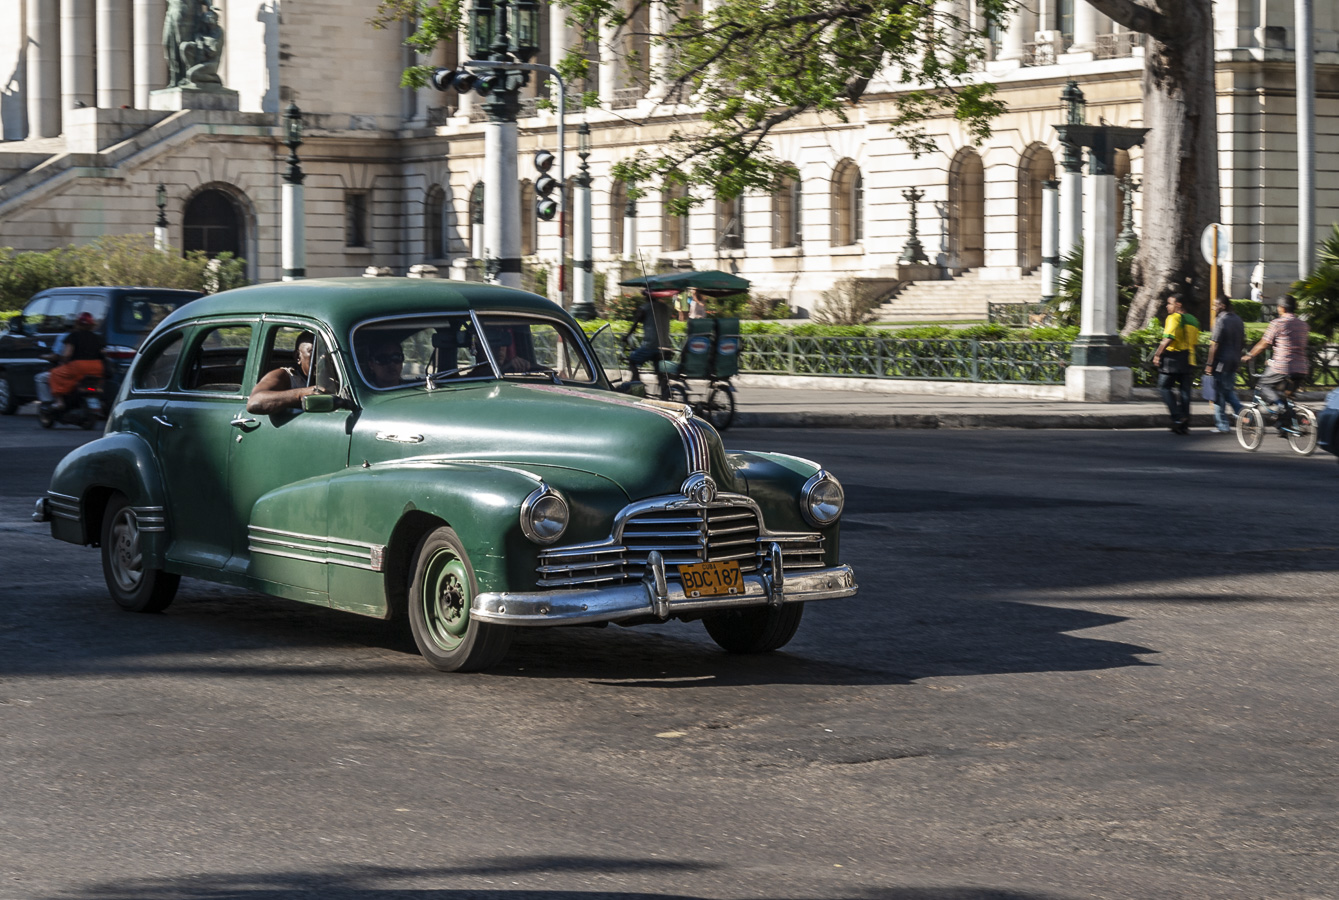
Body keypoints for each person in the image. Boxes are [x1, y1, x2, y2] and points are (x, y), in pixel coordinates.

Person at [1243, 294, 1310, 429]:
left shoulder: (1278, 323)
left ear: (1282, 308)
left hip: (1282, 367)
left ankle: (1278, 405)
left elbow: (1264, 343)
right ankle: (1284, 426)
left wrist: (1249, 355)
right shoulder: (1304, 325)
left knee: (1263, 385)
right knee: (1287, 397)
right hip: (1301, 368)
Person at [1150, 294, 1200, 434]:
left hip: (1173, 359)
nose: (1167, 306)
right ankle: (1184, 424)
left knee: (1164, 387)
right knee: (1185, 393)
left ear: (1178, 305)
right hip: (1189, 359)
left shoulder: (1173, 318)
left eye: (1170, 303)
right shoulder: (1194, 320)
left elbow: (1168, 338)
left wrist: (1158, 354)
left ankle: (1178, 417)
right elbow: (1195, 344)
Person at [247, 331, 326, 414]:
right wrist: (302, 394)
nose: (322, 358)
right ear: (298, 357)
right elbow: (254, 402)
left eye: (326, 353)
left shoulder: (335, 379)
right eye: (314, 352)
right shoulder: (286, 376)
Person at [1203, 296, 1245, 433]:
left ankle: (1222, 425)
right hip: (1233, 361)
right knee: (1228, 391)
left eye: (1216, 305)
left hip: (1221, 362)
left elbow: (1214, 345)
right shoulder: (1238, 319)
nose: (1214, 307)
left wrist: (1209, 363)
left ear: (1223, 306)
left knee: (1218, 394)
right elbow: (1242, 342)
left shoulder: (1220, 320)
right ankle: (1243, 413)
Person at [48, 312, 105, 411]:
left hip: (78, 367)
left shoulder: (73, 336)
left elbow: (67, 354)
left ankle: (59, 402)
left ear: (77, 324)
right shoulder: (98, 338)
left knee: (54, 373)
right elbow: (103, 353)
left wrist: (63, 362)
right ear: (92, 325)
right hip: (97, 367)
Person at [622, 288, 673, 382]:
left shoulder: (645, 308)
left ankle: (637, 385)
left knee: (632, 361)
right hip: (666, 346)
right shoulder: (665, 307)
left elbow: (635, 324)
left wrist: (626, 336)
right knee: (661, 374)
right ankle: (665, 392)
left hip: (650, 346)